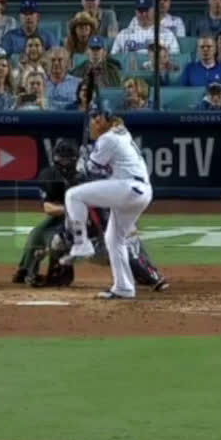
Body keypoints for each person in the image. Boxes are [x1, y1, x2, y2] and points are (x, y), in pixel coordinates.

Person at [13, 140, 167, 291]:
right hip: (66, 214)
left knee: (125, 240)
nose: (65, 165)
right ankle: (34, 271)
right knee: (43, 235)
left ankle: (148, 272)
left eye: (69, 160)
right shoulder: (50, 175)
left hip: (98, 214)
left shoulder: (89, 174)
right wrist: (71, 209)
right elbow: (48, 208)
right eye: (62, 160)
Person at [61, 108, 153, 299]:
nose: (91, 126)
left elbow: (91, 170)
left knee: (73, 196)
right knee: (114, 239)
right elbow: (103, 169)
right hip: (140, 191)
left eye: (95, 121)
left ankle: (81, 243)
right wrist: (89, 157)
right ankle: (124, 287)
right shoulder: (120, 133)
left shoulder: (108, 138)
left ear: (103, 121)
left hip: (128, 187)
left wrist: (83, 162)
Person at [111, 0, 179, 57]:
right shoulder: (123, 34)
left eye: (146, 10)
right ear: (136, 12)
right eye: (140, 11)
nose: (144, 14)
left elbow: (175, 56)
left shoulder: (167, 34)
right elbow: (114, 56)